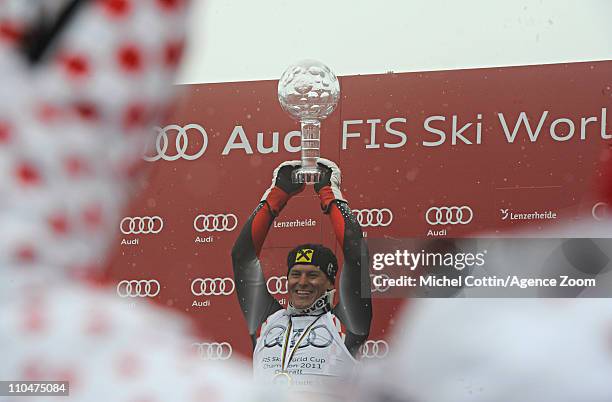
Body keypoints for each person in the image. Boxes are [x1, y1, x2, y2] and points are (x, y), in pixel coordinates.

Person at [231, 159, 372, 393]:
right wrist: (277, 194)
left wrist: (328, 192)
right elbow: (242, 258)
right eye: (295, 274)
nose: (302, 282)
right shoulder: (266, 320)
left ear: (330, 281)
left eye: (313, 275)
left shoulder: (346, 322)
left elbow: (356, 254)